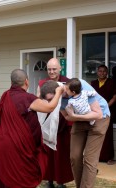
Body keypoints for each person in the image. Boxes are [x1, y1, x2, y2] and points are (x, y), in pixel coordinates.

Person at [0, 69, 64, 188]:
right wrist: (58, 91)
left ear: (12, 82)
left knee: (5, 177)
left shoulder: (5, 95)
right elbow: (50, 107)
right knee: (21, 177)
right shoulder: (27, 98)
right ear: (26, 81)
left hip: (1, 143)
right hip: (17, 146)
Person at [62, 78, 110, 188]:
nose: (60, 99)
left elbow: (97, 114)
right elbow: (66, 116)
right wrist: (75, 117)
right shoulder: (57, 99)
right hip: (80, 120)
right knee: (75, 156)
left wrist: (75, 116)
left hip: (99, 118)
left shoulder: (79, 85)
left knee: (89, 159)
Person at [36, 58, 73, 188]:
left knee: (62, 152)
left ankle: (61, 181)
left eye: (54, 69)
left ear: (60, 69)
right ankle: (49, 180)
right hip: (47, 122)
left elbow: (73, 100)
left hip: (62, 121)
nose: (51, 72)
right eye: (49, 69)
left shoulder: (67, 82)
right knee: (48, 152)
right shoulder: (42, 83)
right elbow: (38, 99)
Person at [91, 65, 116, 165]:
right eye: (100, 71)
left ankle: (109, 157)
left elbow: (115, 97)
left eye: (104, 71)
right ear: (97, 72)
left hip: (107, 112)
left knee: (108, 135)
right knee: (96, 134)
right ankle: (97, 156)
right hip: (95, 113)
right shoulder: (93, 83)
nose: (102, 73)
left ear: (107, 72)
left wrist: (105, 107)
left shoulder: (111, 83)